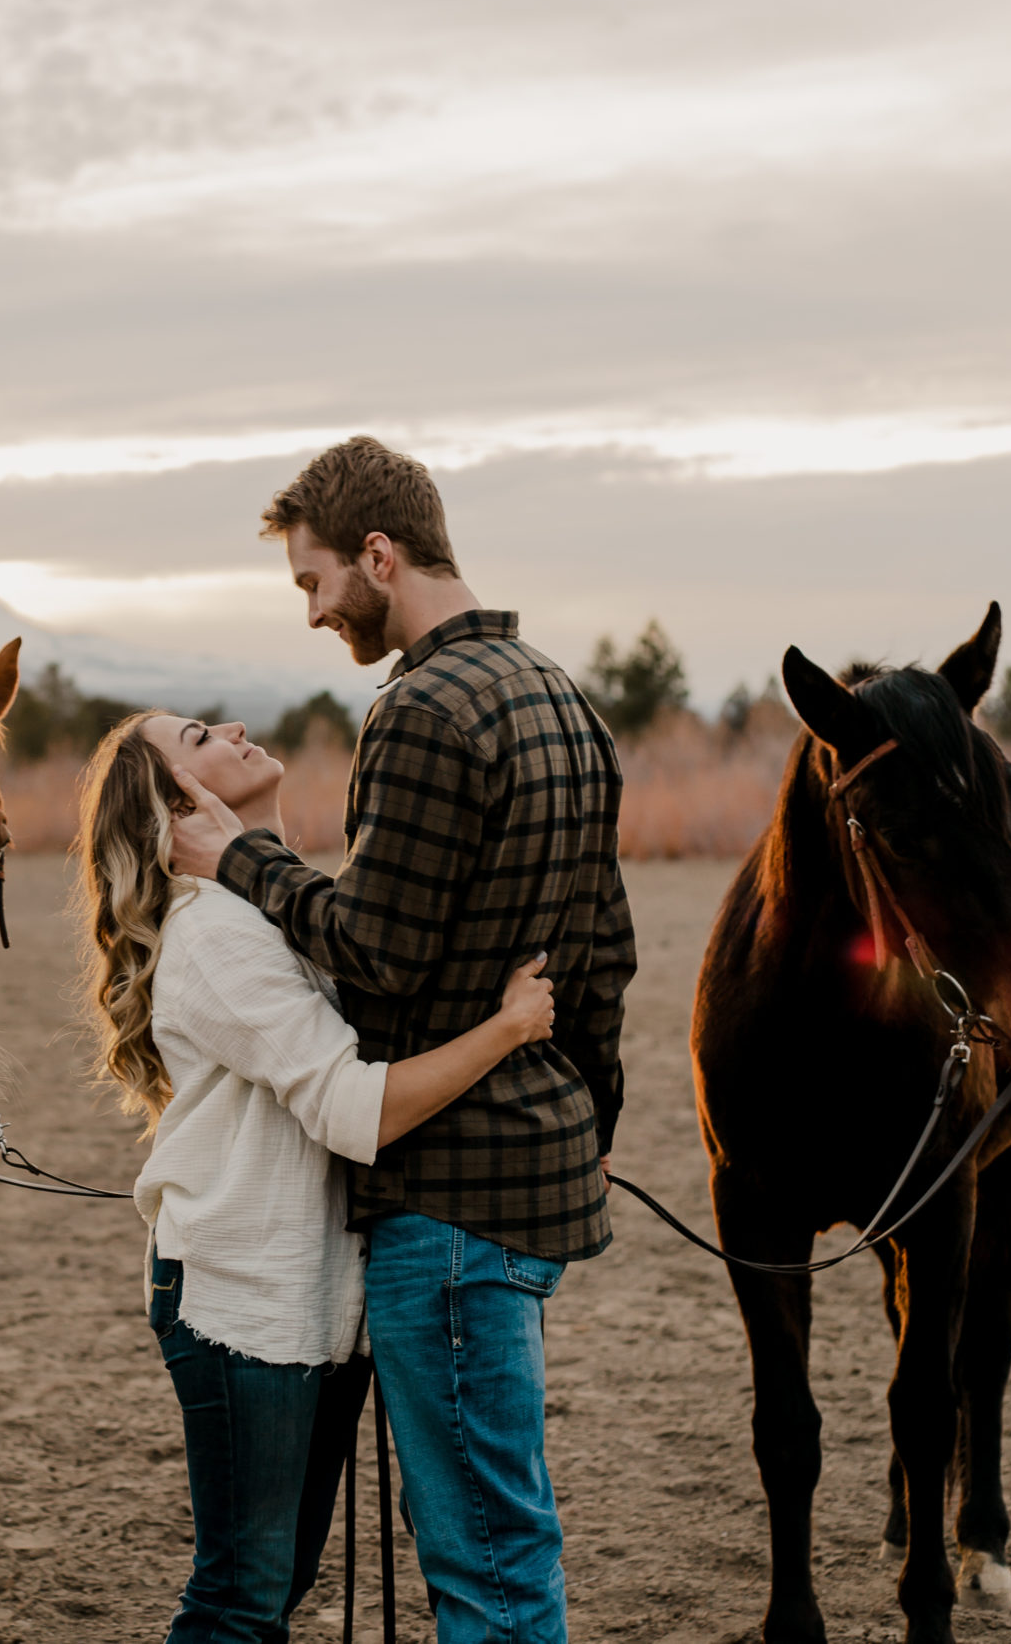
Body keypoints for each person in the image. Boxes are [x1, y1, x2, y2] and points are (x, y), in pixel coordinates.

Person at [166, 435, 635, 1644]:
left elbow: (376, 951)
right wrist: (575, 1137)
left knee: (484, 1564)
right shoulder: (563, 699)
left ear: (379, 555)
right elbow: (602, 962)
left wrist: (243, 860)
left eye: (316, 582)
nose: (317, 612)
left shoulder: (422, 709)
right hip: (530, 1188)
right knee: (498, 1539)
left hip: (449, 1204)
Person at [75, 708, 558, 1644]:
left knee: (276, 1581)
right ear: (178, 807)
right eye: (201, 734)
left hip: (311, 1298)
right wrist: (505, 1030)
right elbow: (354, 1106)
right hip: (240, 1302)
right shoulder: (216, 934)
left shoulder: (275, 907)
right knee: (240, 1596)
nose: (236, 724)